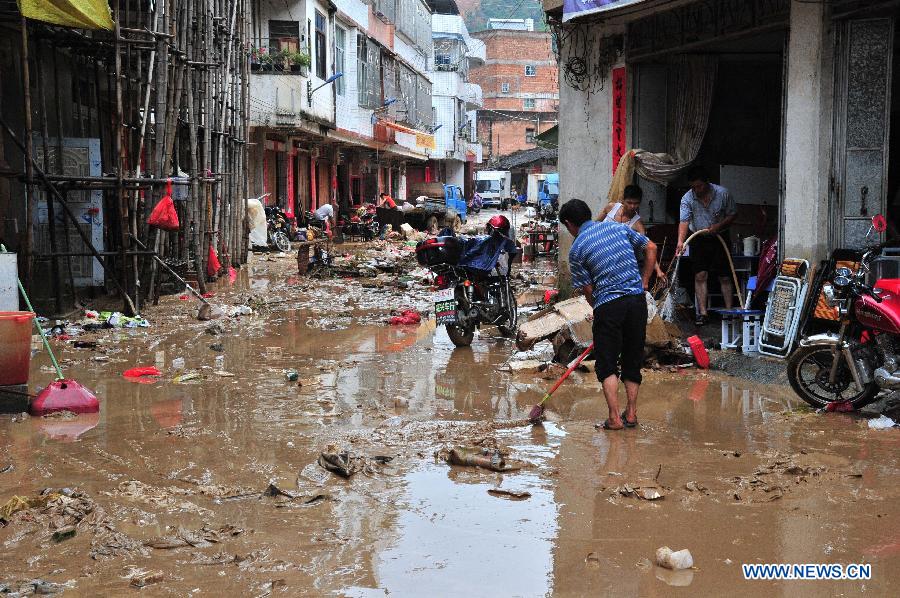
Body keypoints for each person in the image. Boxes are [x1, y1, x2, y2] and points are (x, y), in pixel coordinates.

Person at [560, 198, 657, 431]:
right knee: (633, 359)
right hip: (636, 302)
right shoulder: (618, 227)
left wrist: (600, 309)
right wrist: (643, 282)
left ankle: (614, 418)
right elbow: (651, 247)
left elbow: (588, 290)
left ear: (569, 224)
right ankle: (631, 414)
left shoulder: (577, 250)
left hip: (609, 306)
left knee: (607, 364)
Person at [675, 166, 737, 326]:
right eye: (693, 187)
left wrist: (719, 226)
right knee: (700, 275)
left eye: (699, 186)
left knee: (724, 275)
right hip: (698, 238)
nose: (696, 190)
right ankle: (703, 313)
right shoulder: (687, 198)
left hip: (720, 236)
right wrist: (681, 242)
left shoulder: (723, 193)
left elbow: (732, 214)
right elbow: (684, 221)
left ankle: (729, 312)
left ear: (707, 182)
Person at [597, 184, 667, 285]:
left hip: (620, 264)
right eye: (629, 202)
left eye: (636, 203)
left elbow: (648, 248)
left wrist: (658, 270)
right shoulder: (611, 208)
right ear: (622, 200)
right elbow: (595, 224)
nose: (632, 206)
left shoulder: (638, 224)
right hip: (600, 256)